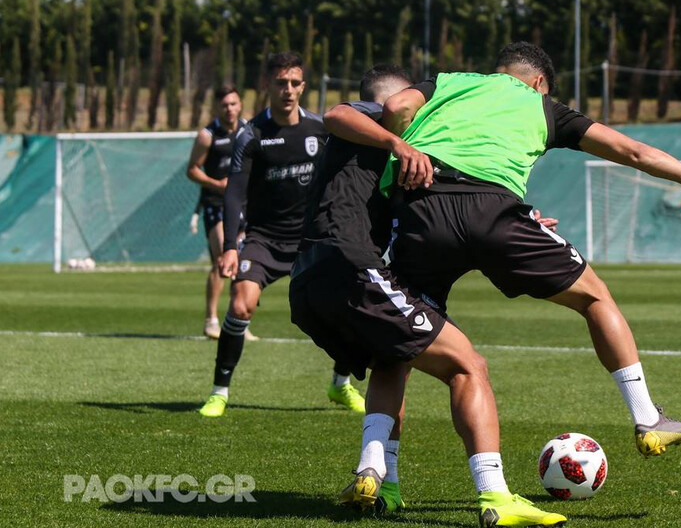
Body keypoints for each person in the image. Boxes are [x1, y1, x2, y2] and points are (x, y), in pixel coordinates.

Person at [329, 42, 681, 461]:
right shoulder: (542, 106)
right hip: (492, 211)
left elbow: (396, 108)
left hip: (422, 213)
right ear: (539, 82)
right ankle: (648, 418)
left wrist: (406, 151)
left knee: (399, 346)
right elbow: (632, 150)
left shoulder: (450, 83)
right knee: (594, 298)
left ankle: (376, 469)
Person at [290, 64, 566, 527]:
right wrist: (398, 138)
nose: (421, 111)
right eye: (415, 103)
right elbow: (336, 113)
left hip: (311, 281)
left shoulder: (386, 154)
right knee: (468, 365)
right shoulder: (374, 121)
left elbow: (454, 192)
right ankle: (495, 496)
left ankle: (378, 478)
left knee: (392, 356)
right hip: (349, 266)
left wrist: (521, 217)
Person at [198, 52, 364, 418]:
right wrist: (229, 247)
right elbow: (234, 192)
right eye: (280, 83)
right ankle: (219, 392)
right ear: (267, 86)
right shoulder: (251, 134)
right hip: (264, 239)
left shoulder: (321, 129)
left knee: (350, 304)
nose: (288, 90)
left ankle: (340, 384)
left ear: (303, 86)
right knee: (241, 304)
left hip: (312, 239)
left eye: (294, 83)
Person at [186, 86, 248, 339]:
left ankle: (238, 321)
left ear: (240, 105)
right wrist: (217, 185)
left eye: (233, 104)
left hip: (244, 205)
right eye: (224, 105)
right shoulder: (207, 136)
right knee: (223, 257)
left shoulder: (249, 131)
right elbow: (192, 170)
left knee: (242, 262)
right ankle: (211, 320)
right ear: (217, 108)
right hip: (215, 204)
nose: (230, 109)